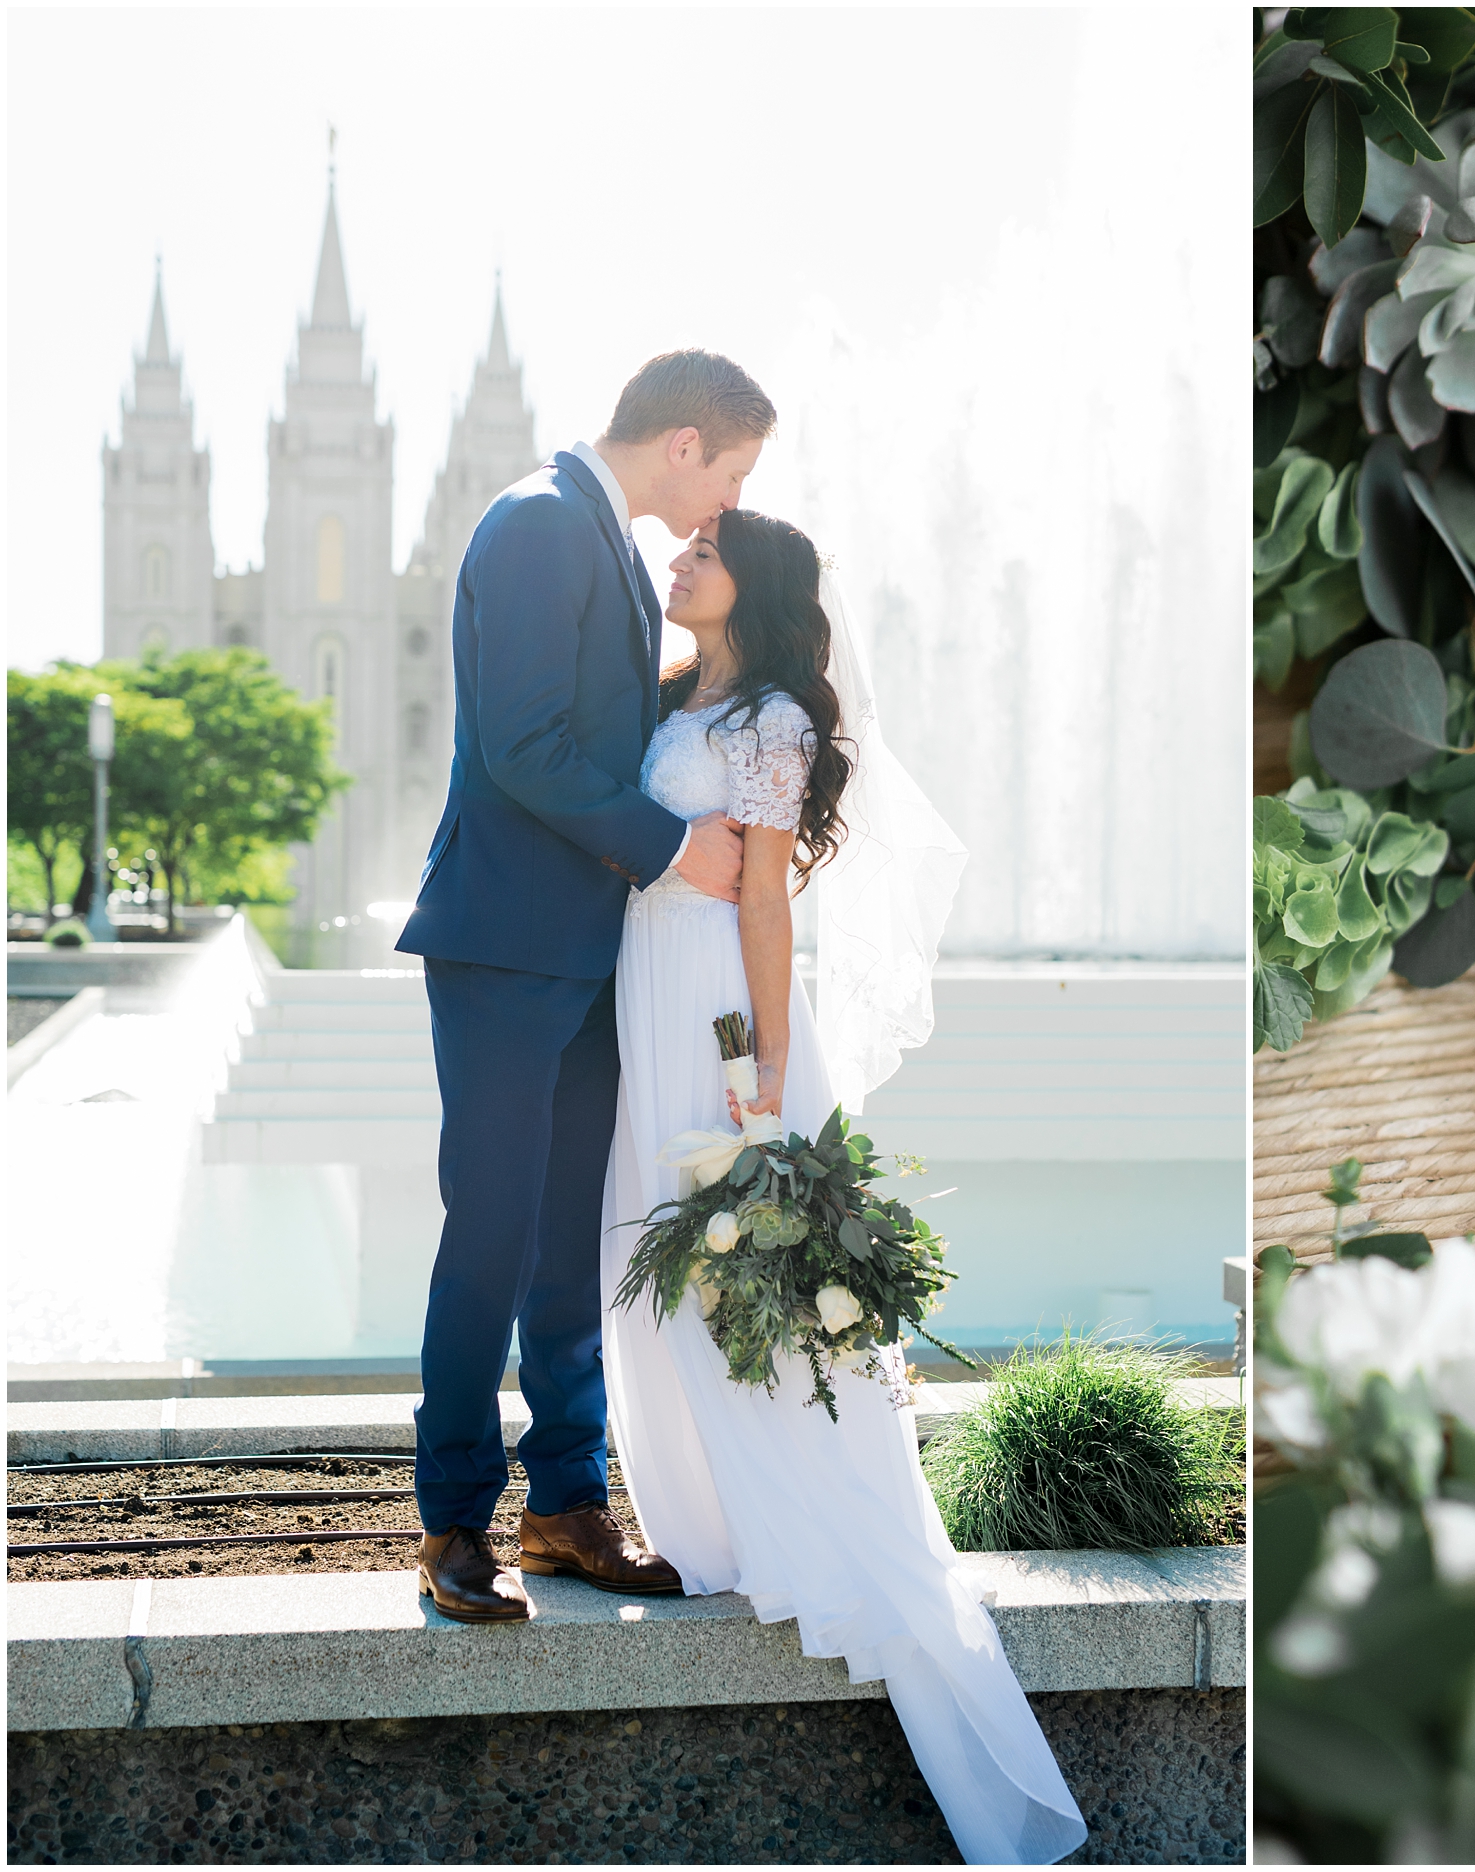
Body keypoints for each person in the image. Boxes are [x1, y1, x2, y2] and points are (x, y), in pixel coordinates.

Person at [598, 509, 1082, 1864]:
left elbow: (764, 902)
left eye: (703, 546)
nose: (678, 558)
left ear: (756, 581)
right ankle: (707, 1519)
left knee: (729, 1257)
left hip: (716, 1017)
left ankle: (816, 1528)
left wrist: (763, 1077)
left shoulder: (768, 717)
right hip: (644, 1002)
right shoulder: (668, 692)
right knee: (652, 1257)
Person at [396, 350, 771, 1617]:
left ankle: (563, 1505)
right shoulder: (541, 524)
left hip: (587, 951)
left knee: (570, 1249)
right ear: (682, 444)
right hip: (504, 944)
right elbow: (523, 746)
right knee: (489, 1239)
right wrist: (674, 847)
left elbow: (610, 731)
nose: (724, 502)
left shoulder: (596, 536)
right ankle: (454, 1523)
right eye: (729, 470)